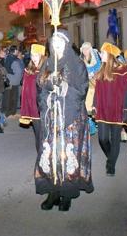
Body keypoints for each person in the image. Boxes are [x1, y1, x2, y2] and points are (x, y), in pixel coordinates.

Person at [35, 30, 93, 212]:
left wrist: (64, 88)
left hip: (71, 117)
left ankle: (67, 193)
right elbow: (40, 89)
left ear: (66, 44)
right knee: (51, 153)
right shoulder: (47, 64)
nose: (56, 46)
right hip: (51, 117)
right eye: (53, 43)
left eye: (60, 43)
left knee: (67, 154)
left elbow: (81, 89)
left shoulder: (77, 64)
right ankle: (52, 191)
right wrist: (49, 88)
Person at [94, 43, 127, 177]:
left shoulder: (122, 71)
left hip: (118, 110)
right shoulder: (101, 71)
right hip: (103, 110)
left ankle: (111, 166)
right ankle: (111, 157)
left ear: (109, 55)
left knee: (115, 139)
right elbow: (97, 91)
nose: (100, 55)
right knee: (102, 139)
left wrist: (126, 110)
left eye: (102, 53)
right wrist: (94, 105)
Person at [20, 44, 46, 155]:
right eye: (32, 55)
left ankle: (47, 159)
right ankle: (40, 160)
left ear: (42, 56)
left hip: (45, 107)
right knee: (38, 136)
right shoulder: (28, 70)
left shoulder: (46, 69)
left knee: (45, 136)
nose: (34, 57)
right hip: (34, 108)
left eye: (36, 55)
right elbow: (25, 90)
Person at [4, 46, 23, 116]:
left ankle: (11, 111)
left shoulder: (10, 58)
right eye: (17, 50)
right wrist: (11, 74)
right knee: (11, 97)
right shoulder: (12, 59)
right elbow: (8, 68)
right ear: (15, 51)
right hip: (13, 80)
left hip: (12, 80)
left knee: (11, 97)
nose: (18, 52)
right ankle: (10, 111)